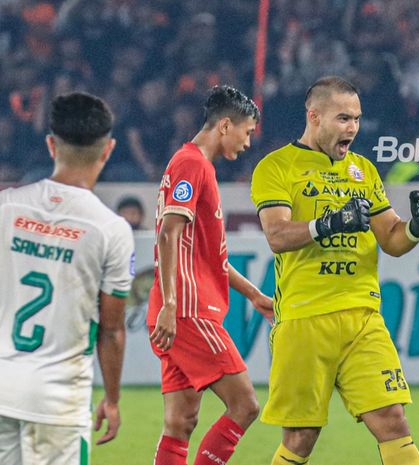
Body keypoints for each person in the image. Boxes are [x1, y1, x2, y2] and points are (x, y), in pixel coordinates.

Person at [251, 76, 419, 465]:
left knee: (392, 419)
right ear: (314, 116)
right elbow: (277, 235)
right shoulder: (276, 167)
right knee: (301, 436)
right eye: (343, 118)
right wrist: (329, 223)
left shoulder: (363, 171)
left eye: (356, 119)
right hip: (305, 318)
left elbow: (391, 237)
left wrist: (417, 228)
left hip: (363, 317)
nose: (352, 127)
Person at [0, 92, 134, 464]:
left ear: (50, 144)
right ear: (107, 150)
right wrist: (112, 399)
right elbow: (111, 329)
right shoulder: (111, 229)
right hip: (57, 400)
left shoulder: (7, 207)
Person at [147, 85, 274, 465]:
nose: (248, 142)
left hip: (178, 308)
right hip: (187, 310)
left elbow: (209, 256)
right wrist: (172, 305)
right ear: (224, 125)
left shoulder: (196, 165)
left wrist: (252, 293)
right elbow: (169, 233)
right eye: (247, 132)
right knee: (245, 405)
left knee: (181, 421)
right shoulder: (192, 164)